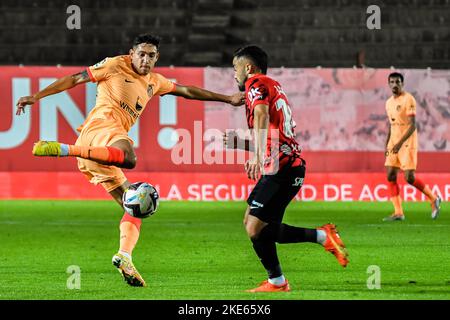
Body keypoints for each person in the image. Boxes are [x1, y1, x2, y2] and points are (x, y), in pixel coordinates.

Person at [15, 34, 244, 287]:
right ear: (131, 53)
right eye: (142, 54)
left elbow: (187, 91)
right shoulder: (114, 65)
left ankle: (124, 256)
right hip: (100, 130)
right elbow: (74, 78)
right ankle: (65, 149)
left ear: (157, 58)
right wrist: (36, 96)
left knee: (135, 205)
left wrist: (228, 99)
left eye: (151, 55)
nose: (146, 59)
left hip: (99, 153)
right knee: (130, 158)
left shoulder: (154, 82)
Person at [224, 45, 349, 293]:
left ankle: (319, 240)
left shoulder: (255, 83)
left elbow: (260, 115)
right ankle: (279, 279)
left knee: (255, 227)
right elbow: (277, 137)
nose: (234, 75)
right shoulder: (273, 86)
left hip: (282, 168)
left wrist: (257, 155)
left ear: (248, 68)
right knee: (256, 225)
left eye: (236, 69)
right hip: (282, 166)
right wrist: (245, 146)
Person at [383, 72, 442, 221]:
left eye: (397, 82)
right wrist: (387, 143)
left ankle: (433, 198)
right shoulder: (389, 102)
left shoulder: (409, 99)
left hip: (407, 142)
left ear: (402, 84)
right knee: (390, 175)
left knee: (409, 177)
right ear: (389, 84)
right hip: (393, 143)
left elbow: (412, 126)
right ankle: (398, 212)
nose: (395, 84)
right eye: (392, 82)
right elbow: (392, 124)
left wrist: (399, 144)